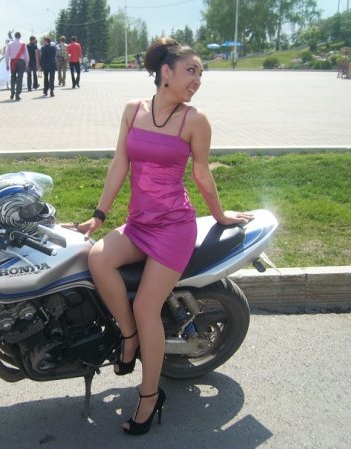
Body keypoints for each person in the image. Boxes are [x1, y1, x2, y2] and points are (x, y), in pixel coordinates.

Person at [73, 38, 252, 436]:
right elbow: (120, 163)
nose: (198, 79)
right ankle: (129, 337)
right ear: (165, 72)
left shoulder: (195, 120)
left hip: (174, 228)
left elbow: (201, 174)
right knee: (98, 259)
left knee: (146, 306)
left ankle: (150, 396)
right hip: (139, 223)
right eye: (191, 71)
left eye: (201, 73)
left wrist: (220, 215)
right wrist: (98, 216)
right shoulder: (133, 110)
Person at [7, 31, 29, 101]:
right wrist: (27, 63)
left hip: (13, 62)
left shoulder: (10, 44)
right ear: (20, 36)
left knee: (13, 77)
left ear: (15, 36)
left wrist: (7, 64)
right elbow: (26, 54)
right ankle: (17, 94)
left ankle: (12, 92)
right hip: (21, 62)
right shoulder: (23, 44)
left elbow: (7, 55)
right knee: (20, 78)